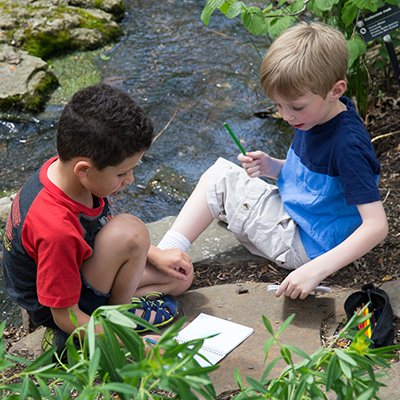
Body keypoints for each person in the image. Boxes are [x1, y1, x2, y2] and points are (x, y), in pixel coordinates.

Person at [157, 22, 388, 300]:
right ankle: (167, 255)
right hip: (307, 223)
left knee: (218, 178)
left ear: (335, 90)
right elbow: (318, 182)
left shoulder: (347, 146)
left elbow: (376, 226)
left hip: (304, 244)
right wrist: (272, 167)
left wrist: (315, 270)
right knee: (225, 187)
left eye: (295, 106)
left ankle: (161, 259)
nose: (286, 116)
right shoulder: (316, 115)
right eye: (278, 106)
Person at [2, 83, 193, 351]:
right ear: (84, 169)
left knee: (179, 278)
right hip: (60, 307)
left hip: (76, 269)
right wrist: (134, 345)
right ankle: (104, 328)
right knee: (131, 231)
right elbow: (63, 314)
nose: (130, 180)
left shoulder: (70, 173)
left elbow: (99, 225)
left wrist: (156, 255)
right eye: (122, 173)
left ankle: (113, 313)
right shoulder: (56, 228)